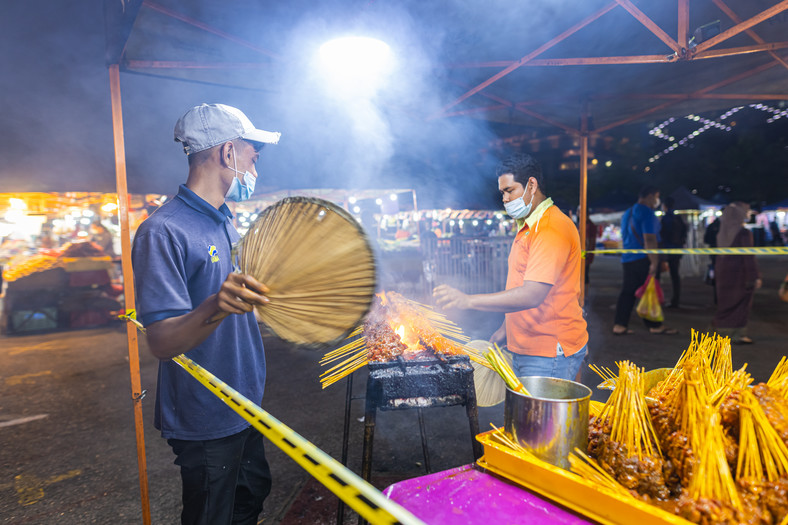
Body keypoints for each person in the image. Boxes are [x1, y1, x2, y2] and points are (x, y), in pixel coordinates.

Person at [131, 103, 281, 525]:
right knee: (214, 516)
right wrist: (217, 304)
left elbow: (236, 305)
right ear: (227, 152)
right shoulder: (163, 231)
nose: (255, 163)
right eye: (253, 152)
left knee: (249, 500)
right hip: (206, 414)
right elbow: (161, 340)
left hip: (243, 402)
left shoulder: (223, 222)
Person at [433, 153, 588, 381]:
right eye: (502, 193)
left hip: (548, 351)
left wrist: (468, 300)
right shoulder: (527, 227)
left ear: (532, 185)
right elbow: (518, 283)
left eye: (510, 190)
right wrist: (506, 329)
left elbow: (532, 294)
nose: (505, 199)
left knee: (542, 418)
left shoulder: (550, 228)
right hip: (525, 346)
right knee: (525, 416)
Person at [612, 186, 676, 335]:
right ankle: (654, 324)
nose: (657, 200)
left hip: (628, 258)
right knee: (650, 290)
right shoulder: (647, 213)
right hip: (643, 258)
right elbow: (650, 238)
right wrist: (654, 262)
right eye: (656, 196)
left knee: (627, 291)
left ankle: (619, 325)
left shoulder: (628, 213)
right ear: (650, 196)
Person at [712, 202, 761, 344]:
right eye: (746, 211)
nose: (749, 213)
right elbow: (748, 257)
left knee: (725, 302)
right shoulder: (744, 233)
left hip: (723, 273)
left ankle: (721, 331)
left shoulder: (722, 232)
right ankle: (738, 334)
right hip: (740, 274)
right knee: (741, 303)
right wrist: (754, 276)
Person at [656, 196, 687, 308]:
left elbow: (661, 235)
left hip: (665, 250)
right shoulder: (678, 218)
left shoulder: (665, 219)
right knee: (675, 276)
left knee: (657, 275)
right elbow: (684, 233)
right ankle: (675, 300)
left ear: (664, 205)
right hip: (677, 250)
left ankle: (656, 299)